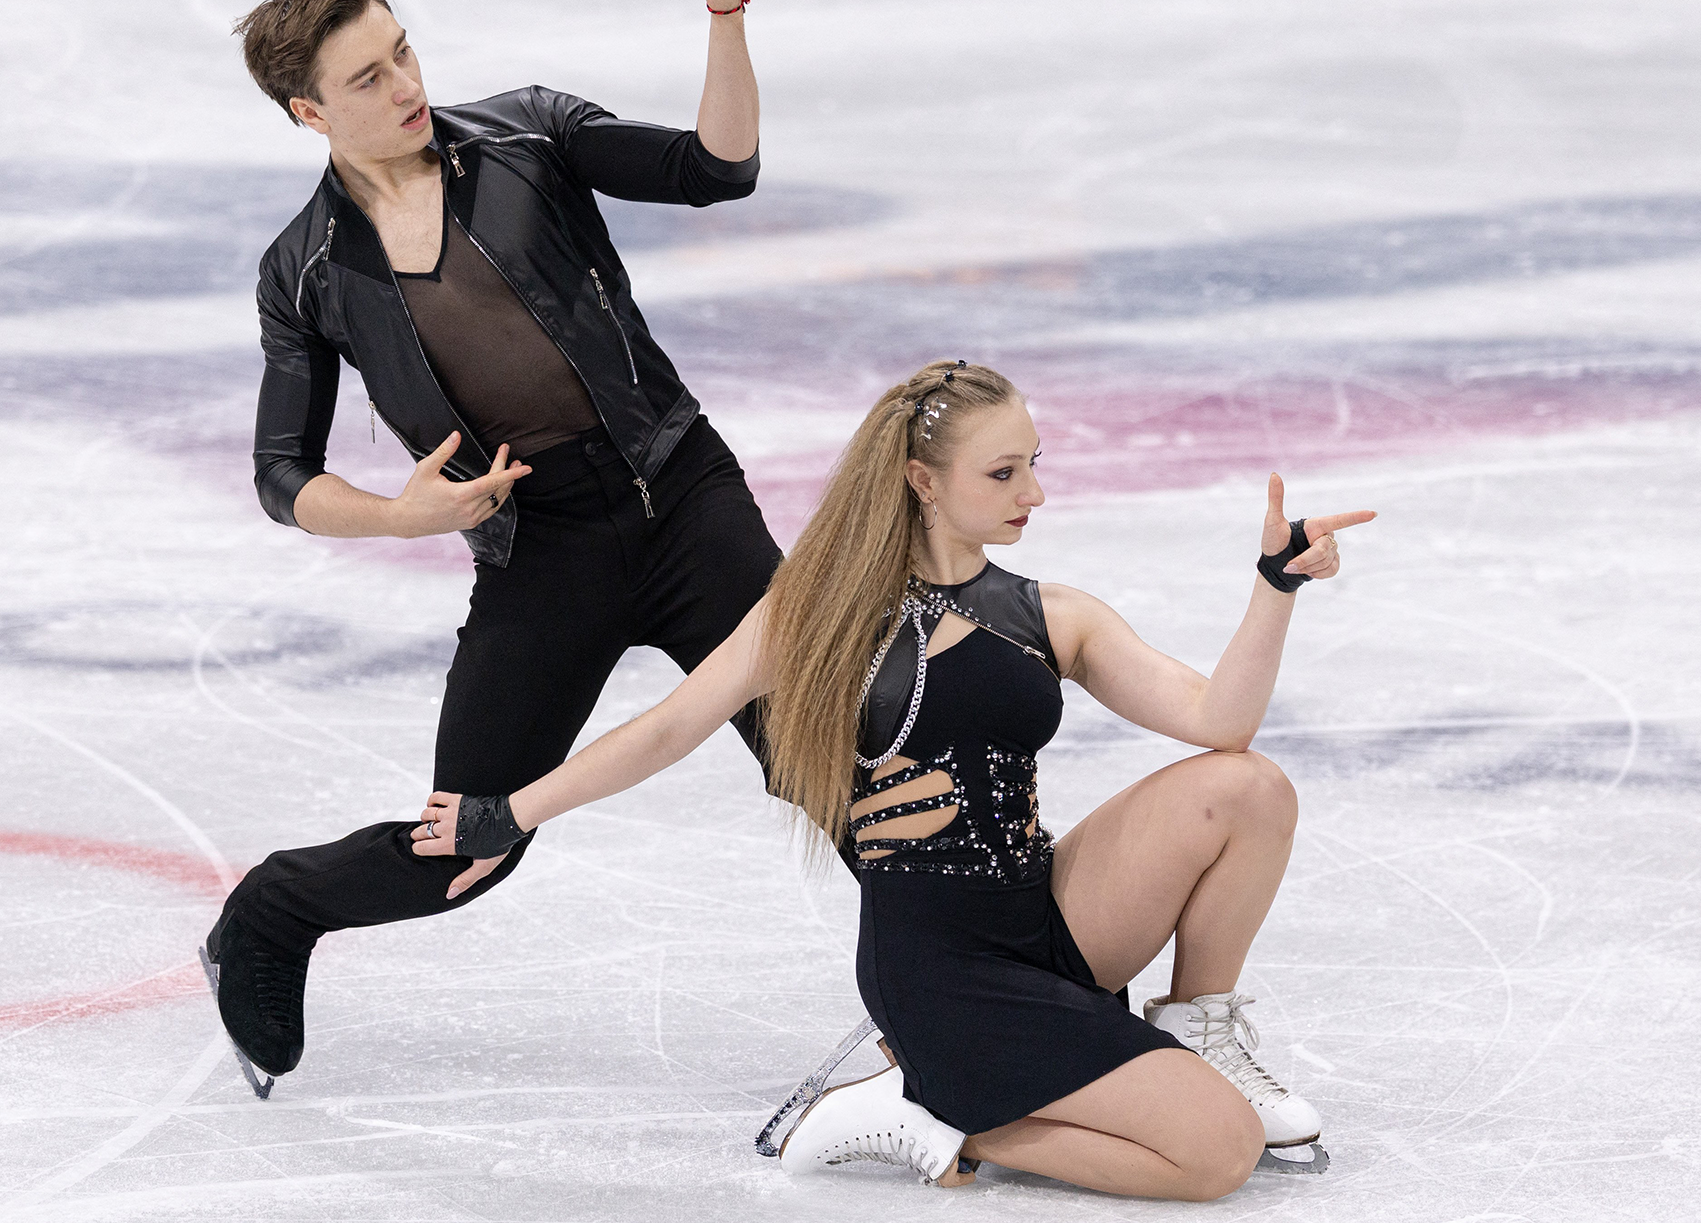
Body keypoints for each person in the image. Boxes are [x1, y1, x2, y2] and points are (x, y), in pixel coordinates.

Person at [413, 359, 1377, 1199]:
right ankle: (932, 1110)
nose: (1031, 493)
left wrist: (1274, 586)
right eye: (1003, 472)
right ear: (921, 479)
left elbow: (1221, 721)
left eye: (1034, 463)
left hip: (1041, 918)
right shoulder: (822, 612)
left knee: (1247, 785)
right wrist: (509, 812)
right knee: (1217, 1154)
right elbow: (669, 729)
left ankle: (1199, 1024)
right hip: (939, 969)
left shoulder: (1052, 613)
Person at [200, 0, 781, 1097]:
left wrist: (726, 6)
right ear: (309, 112)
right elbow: (281, 476)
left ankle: (1003, 997)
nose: (405, 84)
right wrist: (399, 517)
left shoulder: (528, 136)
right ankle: (271, 909)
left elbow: (718, 168)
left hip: (685, 499)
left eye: (402, 49)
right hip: (543, 555)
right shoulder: (303, 272)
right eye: (366, 79)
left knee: (829, 753)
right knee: (467, 848)